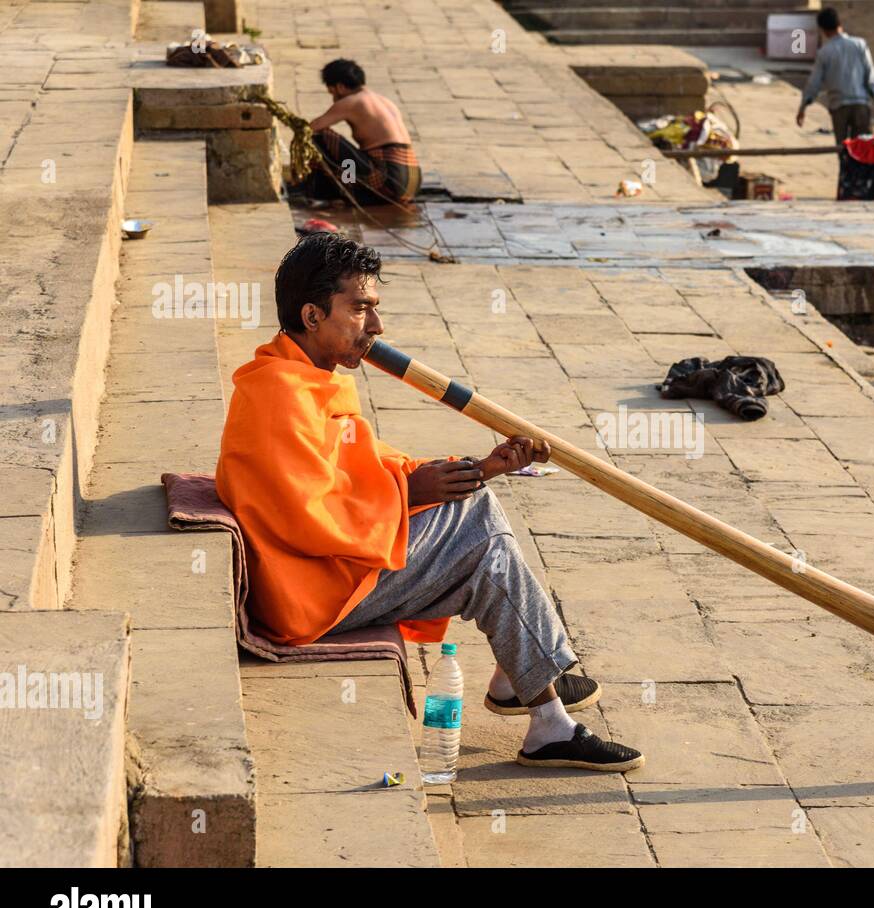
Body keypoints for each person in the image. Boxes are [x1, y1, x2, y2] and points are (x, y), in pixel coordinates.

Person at [215, 233, 644, 772]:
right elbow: (306, 514)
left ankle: (532, 694)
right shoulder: (279, 395)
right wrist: (408, 491)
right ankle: (536, 699)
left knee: (484, 545)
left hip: (332, 567)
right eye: (361, 309)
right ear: (312, 314)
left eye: (375, 310)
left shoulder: (305, 377)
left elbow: (364, 468)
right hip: (307, 588)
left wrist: (485, 468)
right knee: (480, 527)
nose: (376, 328)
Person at [302, 59, 422, 206]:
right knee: (343, 151)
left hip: (390, 180)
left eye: (332, 92)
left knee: (319, 137)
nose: (333, 99)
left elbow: (311, 128)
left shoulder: (351, 101)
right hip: (412, 184)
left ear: (340, 87)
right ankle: (347, 188)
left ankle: (340, 192)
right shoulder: (384, 101)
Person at [796, 7, 874, 144]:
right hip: (861, 106)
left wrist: (803, 108)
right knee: (862, 151)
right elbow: (870, 76)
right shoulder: (859, 45)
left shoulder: (824, 52)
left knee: (843, 151)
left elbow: (813, 84)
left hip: (839, 108)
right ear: (840, 24)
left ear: (823, 30)